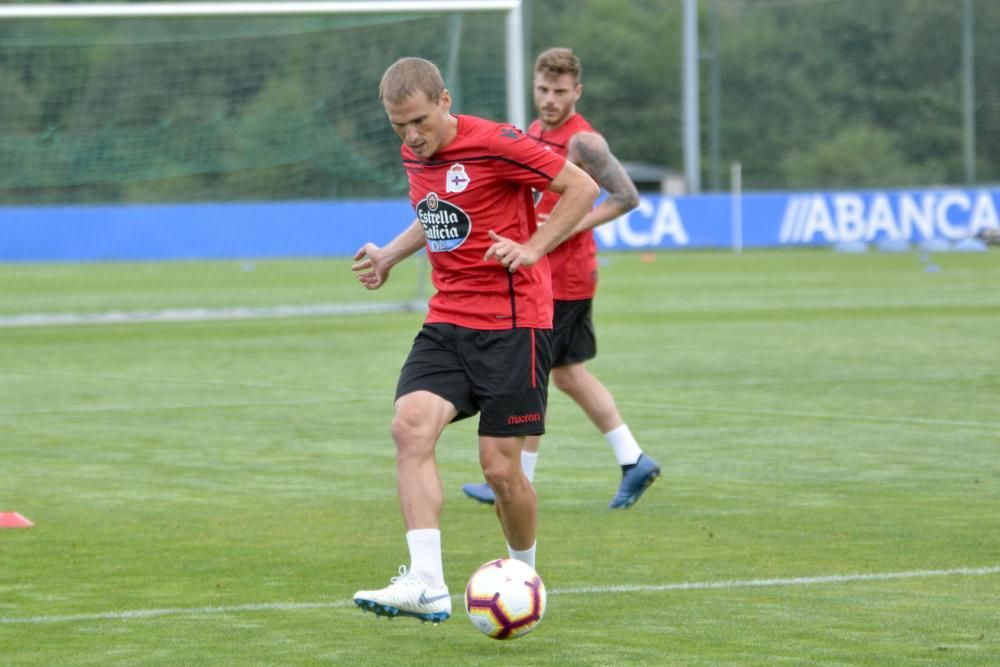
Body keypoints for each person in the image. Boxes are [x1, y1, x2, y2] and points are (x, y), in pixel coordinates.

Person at [351, 57, 599, 623]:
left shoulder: (499, 143)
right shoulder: (415, 152)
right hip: (447, 321)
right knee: (409, 427)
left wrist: (534, 248)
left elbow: (581, 187)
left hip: (514, 325)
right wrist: (390, 253)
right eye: (398, 126)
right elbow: (438, 211)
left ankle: (525, 575)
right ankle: (426, 583)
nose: (412, 136)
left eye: (419, 121)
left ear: (444, 100)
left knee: (500, 471)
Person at [461, 47, 661, 510]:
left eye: (560, 92)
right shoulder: (533, 132)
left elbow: (626, 197)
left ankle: (517, 479)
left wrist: (567, 227)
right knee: (563, 374)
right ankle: (630, 460)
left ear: (577, 92)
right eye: (543, 90)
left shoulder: (584, 142)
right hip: (542, 271)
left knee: (543, 372)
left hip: (567, 277)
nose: (550, 100)